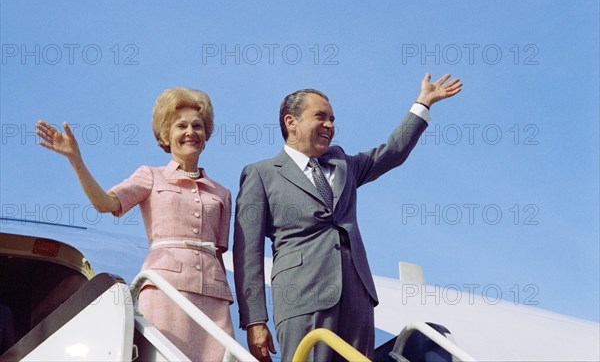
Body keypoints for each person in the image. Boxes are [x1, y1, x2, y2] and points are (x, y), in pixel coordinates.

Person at [233, 73, 462, 362]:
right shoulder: (261, 174)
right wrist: (254, 320)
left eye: (332, 119)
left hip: (356, 298)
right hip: (301, 296)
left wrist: (423, 104)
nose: (330, 125)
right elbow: (247, 253)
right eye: (321, 117)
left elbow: (391, 152)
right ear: (291, 122)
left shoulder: (343, 164)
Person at [35, 88, 235, 362]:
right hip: (166, 288)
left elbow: (220, 253)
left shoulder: (221, 193)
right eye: (181, 126)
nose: (190, 132)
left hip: (213, 296)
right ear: (166, 135)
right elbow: (105, 203)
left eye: (197, 126)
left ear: (206, 134)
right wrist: (76, 160)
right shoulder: (150, 176)